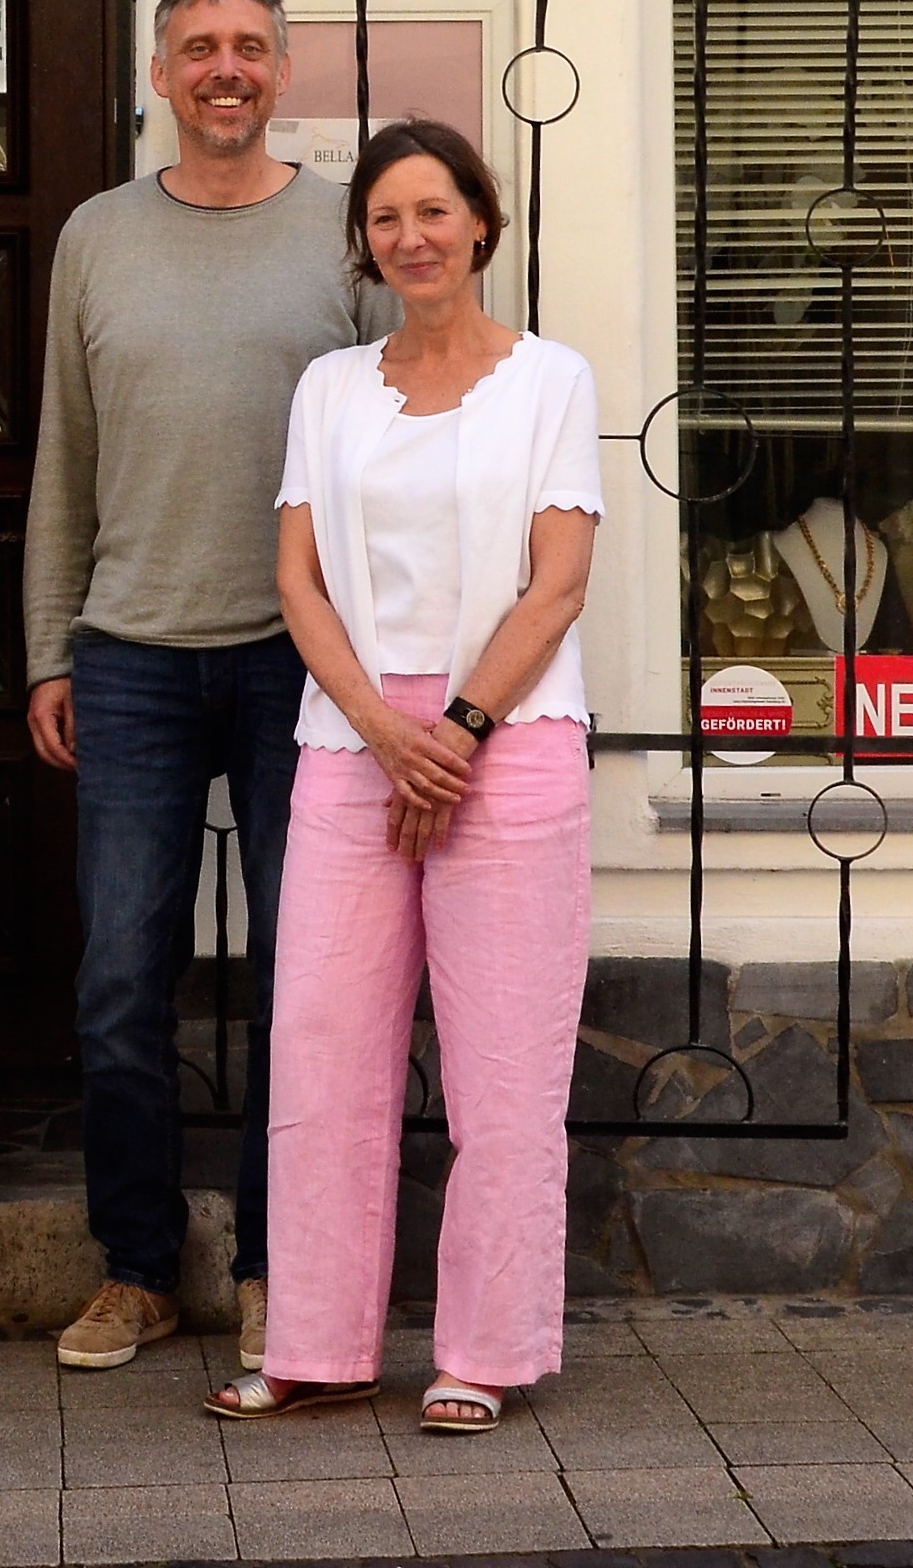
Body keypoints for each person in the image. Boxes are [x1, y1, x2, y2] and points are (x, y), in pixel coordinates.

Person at [22, 0, 397, 1374]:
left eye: (248, 47)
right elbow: (66, 450)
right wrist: (48, 646)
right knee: (121, 979)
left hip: (304, 662)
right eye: (198, 49)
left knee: (303, 981)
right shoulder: (94, 236)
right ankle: (136, 1268)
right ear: (161, 76)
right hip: (128, 654)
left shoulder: (341, 234)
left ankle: (275, 1268)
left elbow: (393, 453)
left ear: (281, 69)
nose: (224, 68)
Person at [206, 118, 603, 1433]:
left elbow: (558, 583)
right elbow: (294, 580)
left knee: (503, 1073)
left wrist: (464, 731)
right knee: (321, 1055)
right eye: (386, 219)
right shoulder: (328, 388)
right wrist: (387, 731)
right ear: (366, 244)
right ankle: (317, 1346)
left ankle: (482, 1354)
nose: (412, 237)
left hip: (512, 746)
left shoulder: (552, 381)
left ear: (480, 224)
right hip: (352, 745)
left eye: (434, 211)